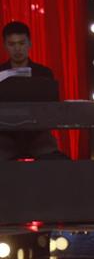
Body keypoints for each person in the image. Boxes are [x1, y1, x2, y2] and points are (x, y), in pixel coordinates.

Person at [0, 21, 62, 160]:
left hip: (37, 134)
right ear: (5, 46)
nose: (17, 49)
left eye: (21, 43)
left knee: (54, 159)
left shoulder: (43, 73)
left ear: (30, 44)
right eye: (12, 44)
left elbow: (53, 107)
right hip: (5, 135)